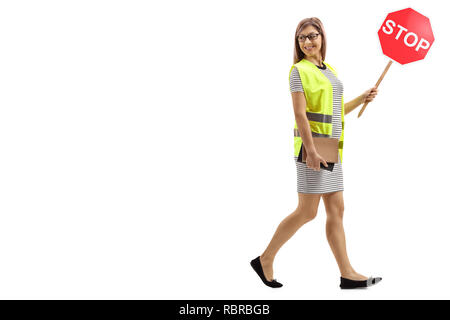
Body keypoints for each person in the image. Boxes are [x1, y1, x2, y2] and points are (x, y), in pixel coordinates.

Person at [250, 17, 382, 289]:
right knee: (307, 212)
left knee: (337, 209)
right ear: (297, 43)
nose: (308, 42)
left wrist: (362, 98)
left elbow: (334, 111)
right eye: (302, 38)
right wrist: (309, 151)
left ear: (322, 37)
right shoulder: (297, 71)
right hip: (312, 149)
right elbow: (300, 114)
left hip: (331, 148)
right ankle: (265, 259)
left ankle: (347, 273)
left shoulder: (329, 70)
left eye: (312, 36)